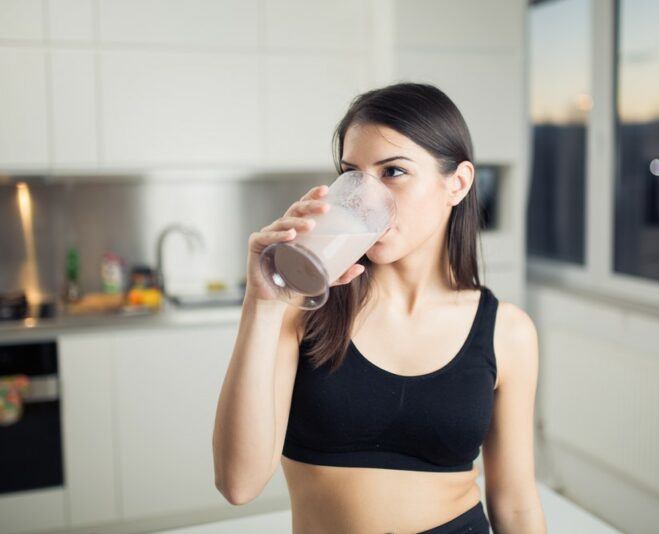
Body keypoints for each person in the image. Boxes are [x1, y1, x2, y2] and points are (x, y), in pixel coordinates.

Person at [213, 82, 547, 533]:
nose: (367, 198)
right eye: (354, 175)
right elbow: (238, 484)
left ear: (458, 183)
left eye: (393, 172)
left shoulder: (506, 331)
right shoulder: (304, 310)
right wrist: (262, 305)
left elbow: (516, 502)